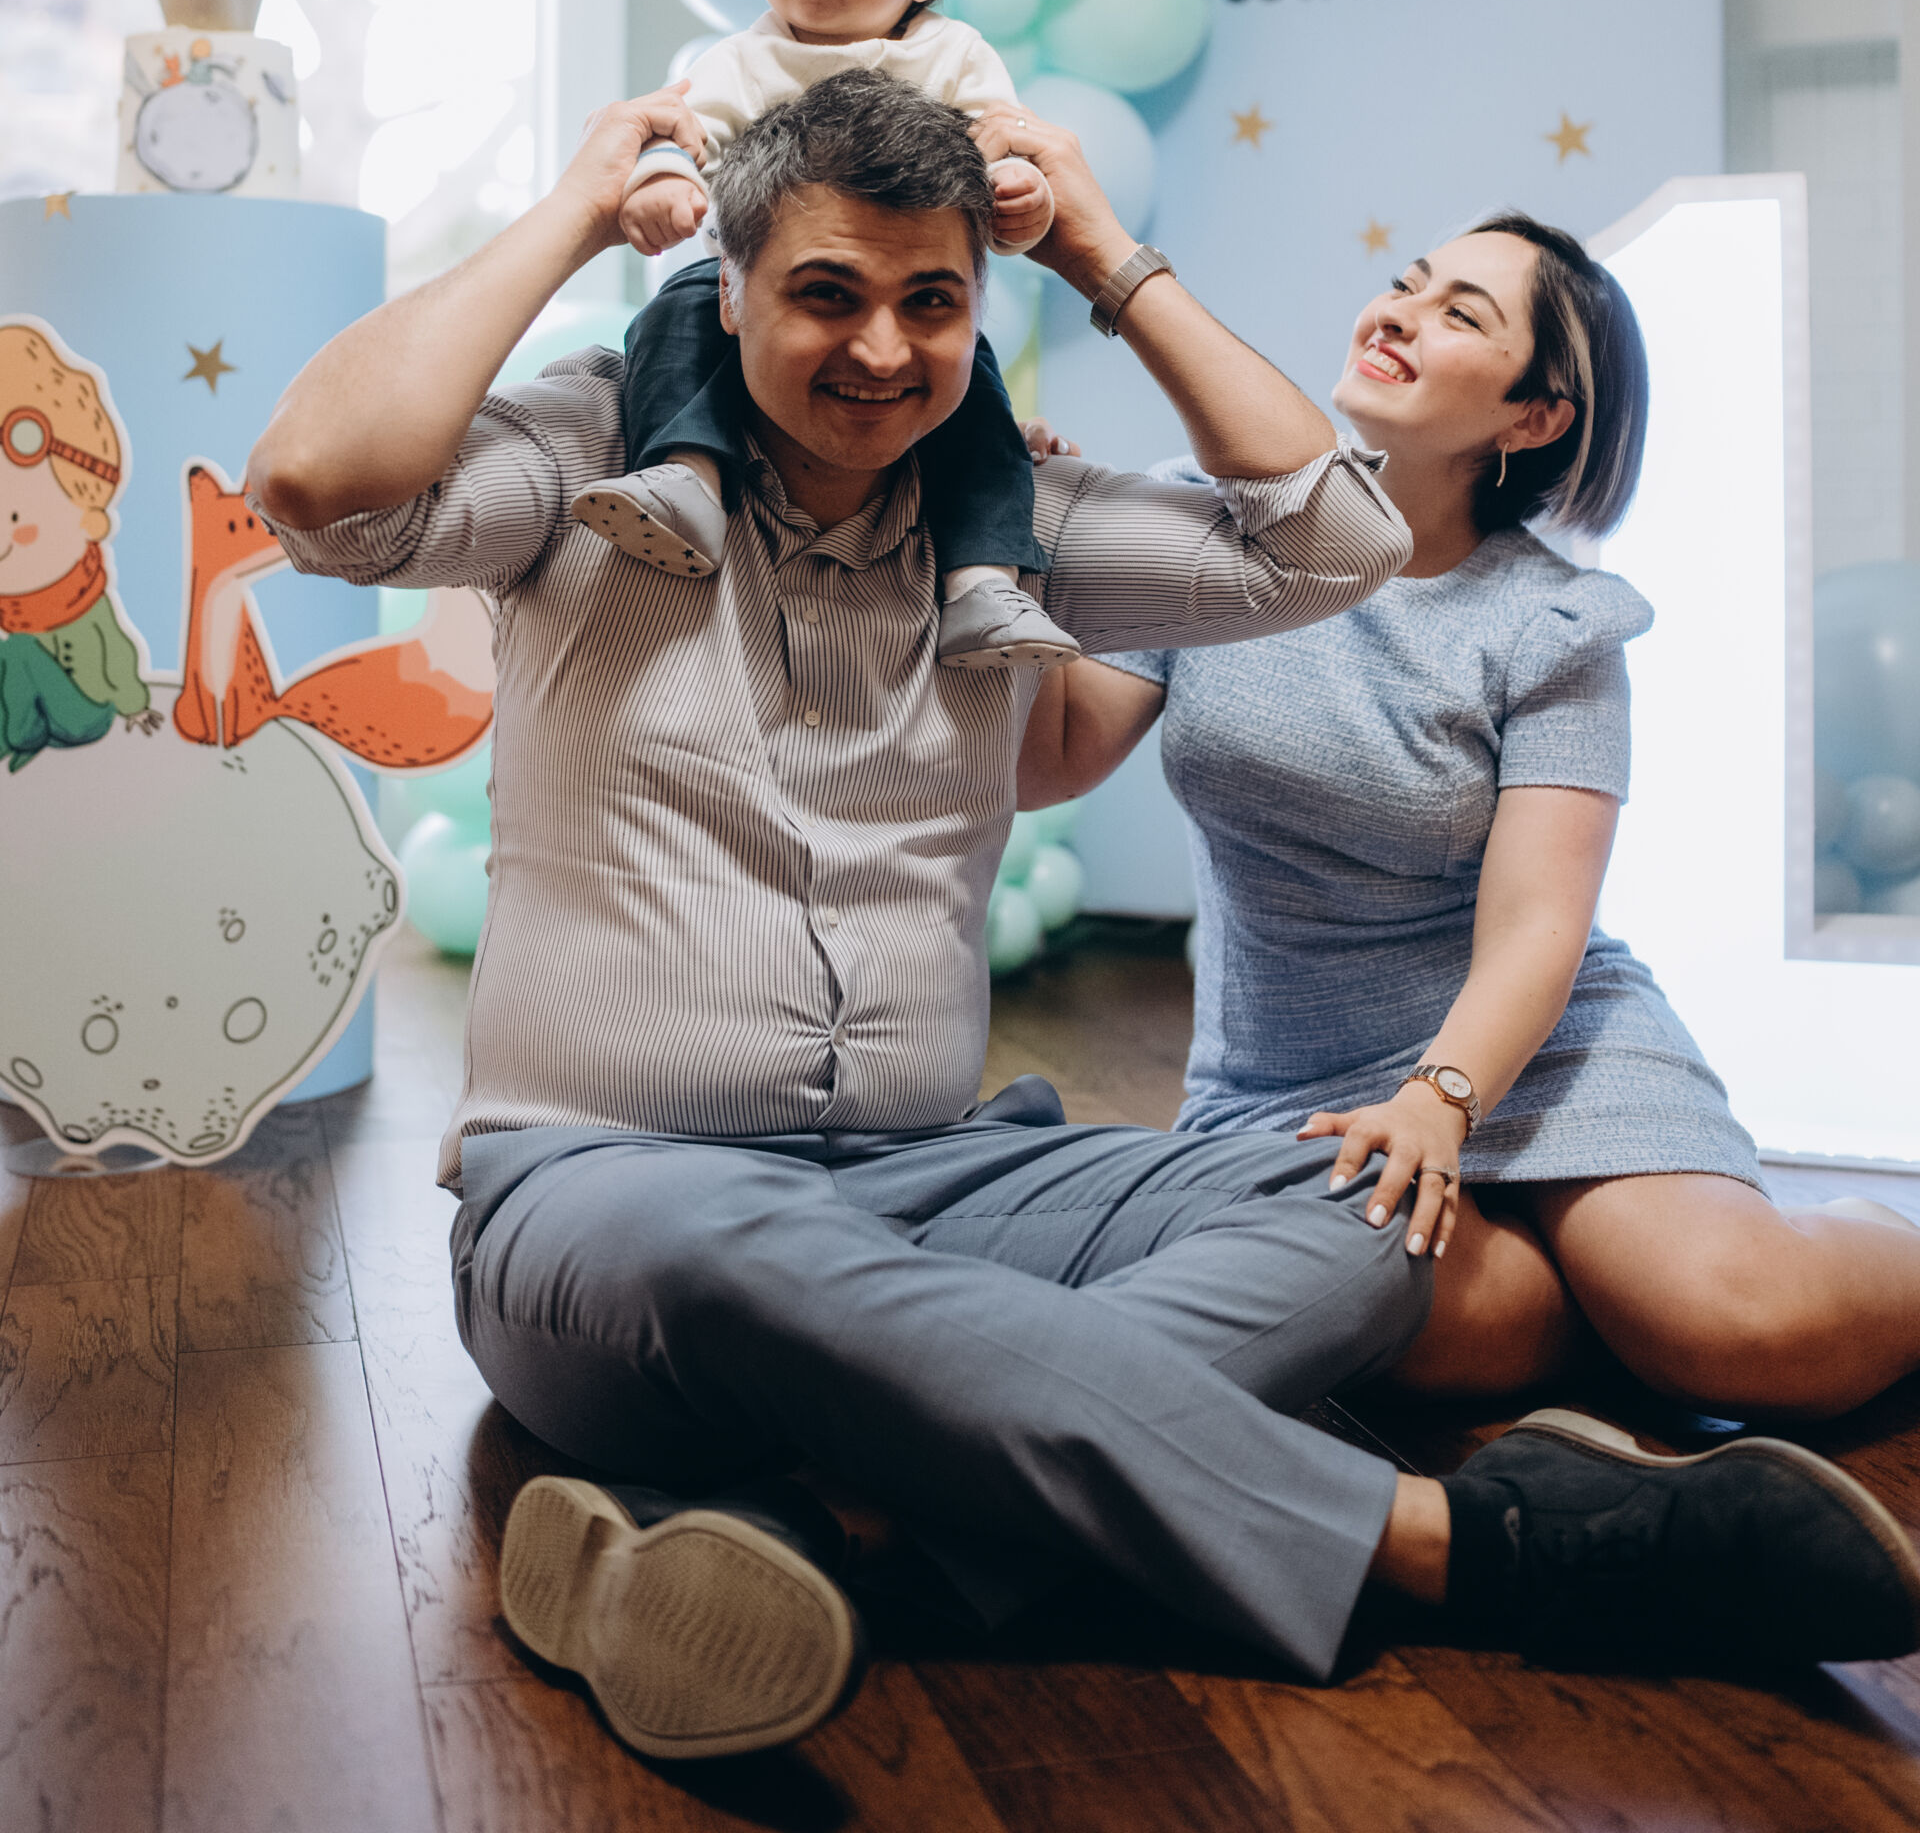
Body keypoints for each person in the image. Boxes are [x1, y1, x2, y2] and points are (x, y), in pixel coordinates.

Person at [245, 115, 1919, 1766]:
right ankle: (1474, 1543)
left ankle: (836, 1524)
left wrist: (1106, 256)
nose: (883, 350)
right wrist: (573, 210)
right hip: (615, 1188)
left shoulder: (1021, 528)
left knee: (1349, 1216)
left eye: (931, 303)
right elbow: (316, 486)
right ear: (732, 287)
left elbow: (1340, 541)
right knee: (718, 1249)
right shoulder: (596, 464)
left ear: (978, 311)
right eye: (826, 293)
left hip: (936, 1178)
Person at [1019, 212, 1920, 1420]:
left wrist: (1439, 1100)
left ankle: (1812, 1255)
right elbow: (1051, 762)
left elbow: (1540, 928)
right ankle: (1613, 1303)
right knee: (1443, 1336)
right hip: (1290, 1078)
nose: (1398, 313)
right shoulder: (1207, 521)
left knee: (1733, 1328)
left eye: (1460, 313)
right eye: (1407, 284)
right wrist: (1019, 560)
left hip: (1536, 1046)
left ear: (1532, 417)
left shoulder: (1555, 625)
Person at [571, 0, 1076, 670]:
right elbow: (680, 137)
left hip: (901, 284)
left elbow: (1002, 151)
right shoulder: (743, 60)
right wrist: (662, 184)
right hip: (751, 286)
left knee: (977, 400)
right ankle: (686, 477)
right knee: (673, 317)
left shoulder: (954, 57)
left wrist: (1023, 197)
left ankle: (985, 579)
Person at [0, 322, 157, 766]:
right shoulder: (12, 611)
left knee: (19, 649)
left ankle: (19, 735)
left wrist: (134, 705)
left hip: (85, 713)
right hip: (35, 708)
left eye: (14, 519)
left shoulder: (85, 600)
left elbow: (116, 649)